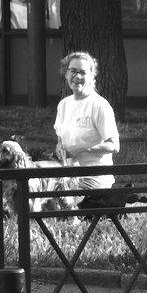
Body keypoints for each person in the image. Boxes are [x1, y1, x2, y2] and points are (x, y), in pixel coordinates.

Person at [52, 52, 119, 192]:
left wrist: (83, 148)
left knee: (56, 195)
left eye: (83, 72)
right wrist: (60, 148)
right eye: (73, 71)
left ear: (91, 76)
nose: (77, 77)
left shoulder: (100, 105)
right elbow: (60, 139)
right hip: (68, 175)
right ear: (66, 74)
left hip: (95, 177)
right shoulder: (63, 105)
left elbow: (114, 145)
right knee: (38, 187)